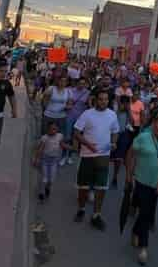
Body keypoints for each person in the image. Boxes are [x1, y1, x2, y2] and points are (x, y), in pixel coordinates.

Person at [126, 108, 158, 265]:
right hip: (142, 180)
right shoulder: (143, 137)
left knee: (147, 211)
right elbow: (131, 154)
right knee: (146, 213)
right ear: (153, 121)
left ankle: (135, 230)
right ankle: (143, 247)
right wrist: (129, 174)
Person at [73, 90, 119, 231]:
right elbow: (76, 132)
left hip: (103, 156)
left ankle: (96, 215)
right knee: (83, 187)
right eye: (100, 99)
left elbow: (115, 131)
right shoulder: (87, 114)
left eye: (106, 99)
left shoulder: (112, 115)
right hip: (87, 156)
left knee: (101, 188)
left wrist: (114, 143)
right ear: (95, 100)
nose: (103, 102)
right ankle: (81, 209)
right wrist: (87, 144)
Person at [33, 121, 71, 202]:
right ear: (47, 130)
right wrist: (36, 159)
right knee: (44, 178)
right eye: (50, 129)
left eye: (54, 129)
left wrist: (70, 148)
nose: (52, 131)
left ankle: (47, 188)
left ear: (57, 129)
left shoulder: (59, 136)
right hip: (45, 161)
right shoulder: (45, 138)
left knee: (51, 179)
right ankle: (41, 193)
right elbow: (40, 149)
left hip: (54, 161)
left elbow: (62, 145)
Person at [60, 77, 90, 166]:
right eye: (80, 83)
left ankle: (69, 156)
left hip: (80, 118)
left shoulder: (87, 92)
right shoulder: (70, 90)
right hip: (69, 116)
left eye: (83, 83)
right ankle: (63, 156)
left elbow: (89, 104)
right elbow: (65, 101)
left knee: (75, 138)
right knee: (67, 136)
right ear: (77, 83)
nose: (81, 85)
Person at [110, 95, 132, 188]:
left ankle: (115, 177)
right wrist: (119, 109)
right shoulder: (114, 111)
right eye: (123, 103)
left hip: (123, 135)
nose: (125, 105)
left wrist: (129, 111)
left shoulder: (127, 112)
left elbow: (131, 122)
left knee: (119, 158)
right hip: (112, 135)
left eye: (127, 103)